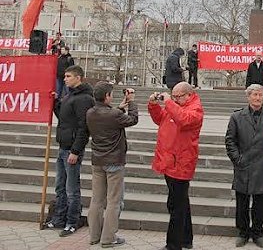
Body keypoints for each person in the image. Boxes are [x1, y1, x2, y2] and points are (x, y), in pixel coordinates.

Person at [225, 84, 263, 248]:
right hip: (243, 165)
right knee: (241, 203)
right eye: (255, 95)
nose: (258, 98)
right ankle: (243, 233)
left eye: (260, 95)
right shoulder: (237, 117)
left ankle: (257, 233)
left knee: (260, 204)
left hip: (262, 166)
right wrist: (238, 159)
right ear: (248, 97)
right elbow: (230, 141)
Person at [148, 82, 204, 250]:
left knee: (176, 206)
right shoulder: (175, 105)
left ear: (189, 94)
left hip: (181, 162)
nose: (175, 99)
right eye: (174, 96)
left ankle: (173, 245)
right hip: (169, 159)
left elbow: (183, 119)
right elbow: (160, 119)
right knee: (181, 203)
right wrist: (153, 105)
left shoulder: (195, 109)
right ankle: (186, 239)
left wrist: (169, 102)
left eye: (178, 96)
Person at [44, 65, 94, 236]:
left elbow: (83, 127)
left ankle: (72, 222)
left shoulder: (84, 98)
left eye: (68, 76)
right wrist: (56, 102)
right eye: (64, 76)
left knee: (72, 189)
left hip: (72, 150)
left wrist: (75, 151)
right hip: (62, 147)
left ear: (78, 78)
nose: (64, 79)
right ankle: (59, 218)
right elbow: (65, 119)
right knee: (60, 187)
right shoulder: (69, 96)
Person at [86, 83, 138, 248]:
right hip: (114, 161)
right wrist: (132, 102)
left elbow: (109, 116)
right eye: (111, 94)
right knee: (114, 201)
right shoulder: (114, 114)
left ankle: (94, 236)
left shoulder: (90, 113)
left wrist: (119, 107)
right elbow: (133, 120)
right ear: (107, 96)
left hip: (97, 161)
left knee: (97, 200)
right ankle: (108, 238)